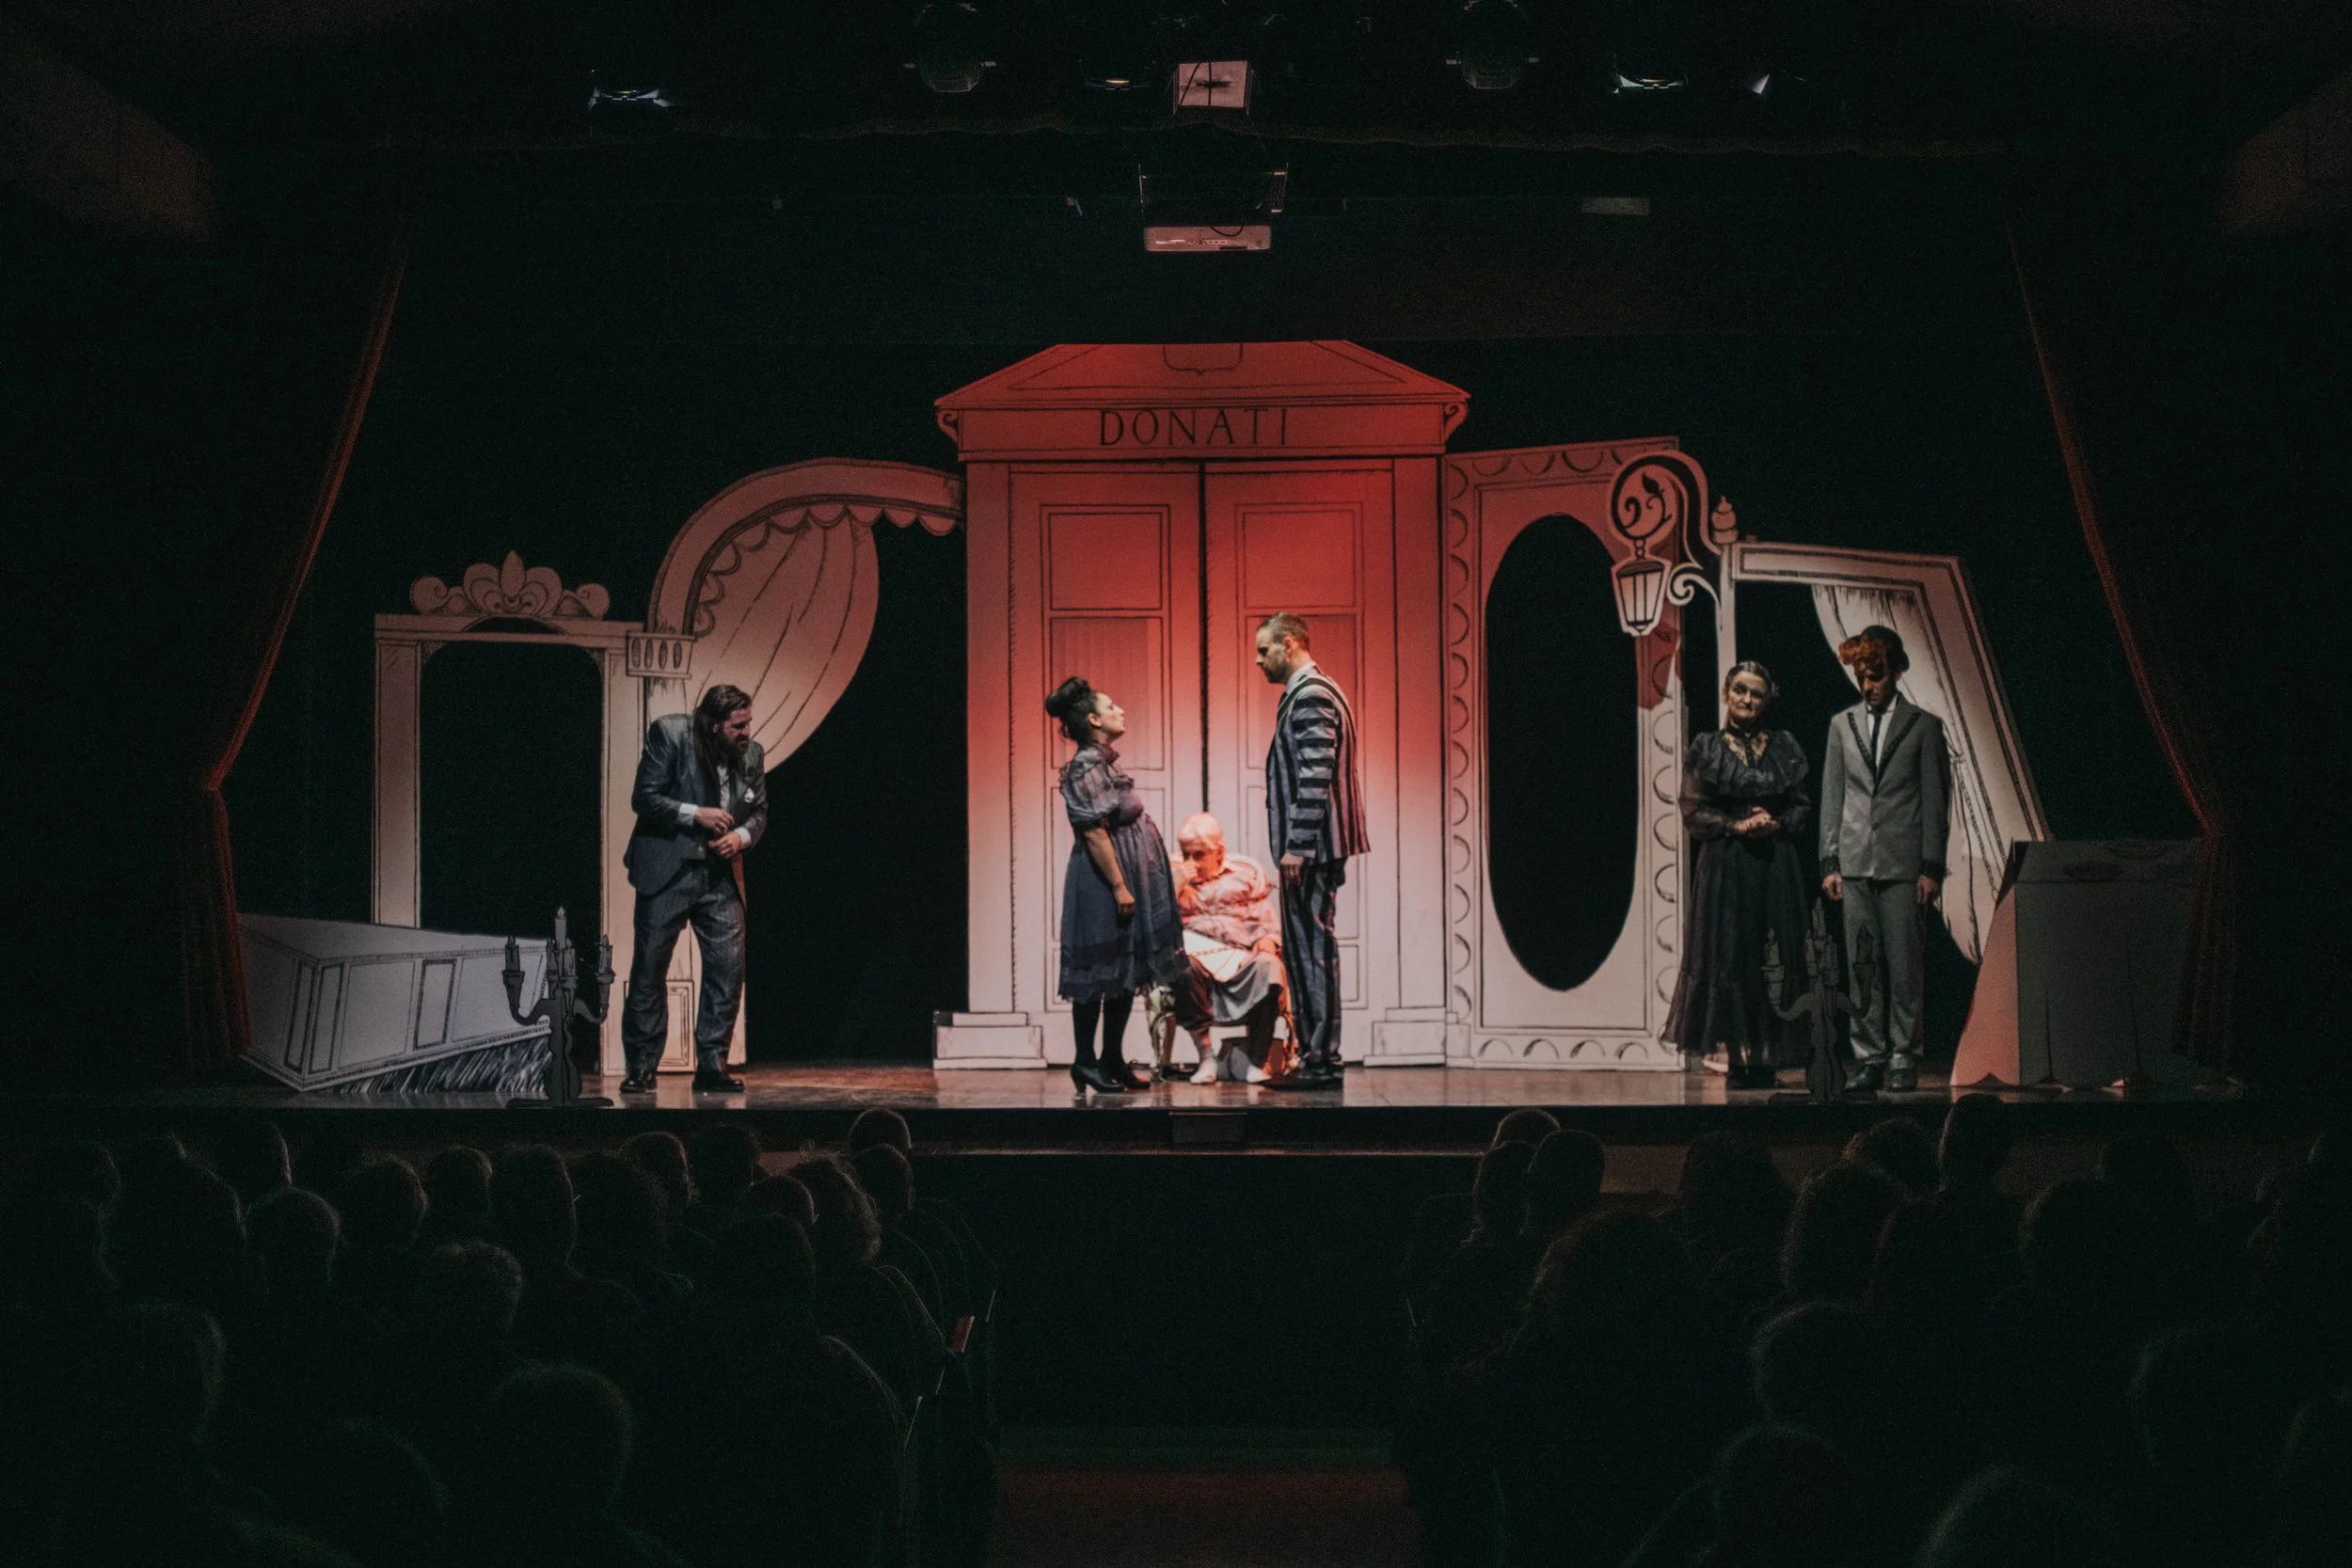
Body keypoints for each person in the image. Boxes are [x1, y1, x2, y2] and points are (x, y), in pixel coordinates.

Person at [1664, 660, 1815, 1090]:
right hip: (1727, 865)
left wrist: (1778, 822)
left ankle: (1765, 1055)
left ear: (1768, 699)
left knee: (1772, 954)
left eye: (1757, 693)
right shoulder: (1708, 747)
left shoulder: (1784, 746)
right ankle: (1736, 1057)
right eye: (1741, 691)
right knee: (1730, 955)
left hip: (1773, 865)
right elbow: (1693, 808)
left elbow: (1802, 804)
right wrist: (1736, 825)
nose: (1748, 700)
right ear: (1727, 693)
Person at [1819, 624, 1950, 1093]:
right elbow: (1833, 796)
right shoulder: (1842, 724)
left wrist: (1931, 867)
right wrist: (1829, 861)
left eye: (1875, 677)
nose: (1867, 686)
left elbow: (1936, 801)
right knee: (1863, 965)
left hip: (1902, 863)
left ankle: (1903, 1054)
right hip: (1855, 861)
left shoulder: (1923, 726)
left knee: (1904, 964)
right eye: (1861, 677)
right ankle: (1869, 1055)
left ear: (1896, 671)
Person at [620, 682, 767, 1096]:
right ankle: (643, 1067)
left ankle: (711, 1066)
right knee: (650, 967)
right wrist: (694, 814)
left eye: (748, 723)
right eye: (738, 725)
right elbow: (644, 798)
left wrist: (739, 837)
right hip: (669, 868)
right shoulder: (670, 735)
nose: (746, 732)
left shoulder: (751, 755)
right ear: (714, 724)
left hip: (719, 876)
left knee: (727, 968)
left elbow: (758, 812)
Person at [1044, 675, 1185, 1096]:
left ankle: (1112, 1059)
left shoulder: (1103, 762)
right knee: (1098, 971)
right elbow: (1093, 832)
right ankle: (1085, 1062)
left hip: (1124, 877)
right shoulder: (1086, 765)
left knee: (1124, 970)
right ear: (1093, 719)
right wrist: (1121, 887)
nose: (1120, 710)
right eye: (1112, 706)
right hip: (1103, 881)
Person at [1255, 611, 1368, 1090]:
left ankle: (1321, 1060)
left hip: (1314, 851)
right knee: (1307, 952)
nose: (1259, 661)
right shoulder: (1308, 693)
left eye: (1265, 650)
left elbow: (1316, 774)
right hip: (1314, 848)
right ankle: (1316, 1057)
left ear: (1291, 643)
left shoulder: (1312, 694)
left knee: (1312, 952)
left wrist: (1297, 847)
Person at [1165, 812, 1287, 1085]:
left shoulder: (1242, 876)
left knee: (1270, 966)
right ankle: (1207, 1056)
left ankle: (1257, 1061)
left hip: (1239, 957)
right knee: (1181, 968)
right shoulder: (1172, 877)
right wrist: (1176, 884)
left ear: (1219, 853)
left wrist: (1267, 938)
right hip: (1197, 959)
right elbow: (1154, 921)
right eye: (1186, 854)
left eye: (1199, 855)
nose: (1191, 863)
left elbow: (1263, 915)